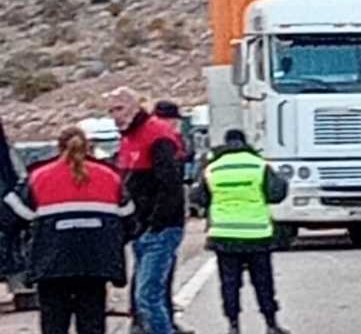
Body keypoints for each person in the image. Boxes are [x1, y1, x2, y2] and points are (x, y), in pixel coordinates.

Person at [3, 127, 133, 334]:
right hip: (95, 265)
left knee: (54, 324)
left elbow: (12, 215)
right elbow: (129, 220)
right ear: (89, 147)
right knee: (92, 323)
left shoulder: (39, 177)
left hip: (51, 265)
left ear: (59, 147)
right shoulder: (110, 177)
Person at [106, 87, 186, 334]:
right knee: (146, 295)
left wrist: (155, 223)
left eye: (119, 108)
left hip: (159, 228)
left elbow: (170, 185)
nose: (115, 116)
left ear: (134, 106)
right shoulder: (128, 138)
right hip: (142, 228)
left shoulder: (156, 135)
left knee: (148, 296)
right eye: (111, 110)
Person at [195, 129, 291, 334]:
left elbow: (199, 198)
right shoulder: (258, 165)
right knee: (263, 282)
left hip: (224, 235)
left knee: (229, 283)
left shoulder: (212, 169)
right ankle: (271, 323)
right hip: (257, 235)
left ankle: (233, 325)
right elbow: (276, 193)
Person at [144, 100, 196, 334]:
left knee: (153, 277)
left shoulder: (158, 139)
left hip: (157, 218)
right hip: (163, 220)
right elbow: (170, 182)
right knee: (157, 278)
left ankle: (154, 320)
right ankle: (158, 323)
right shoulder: (165, 141)